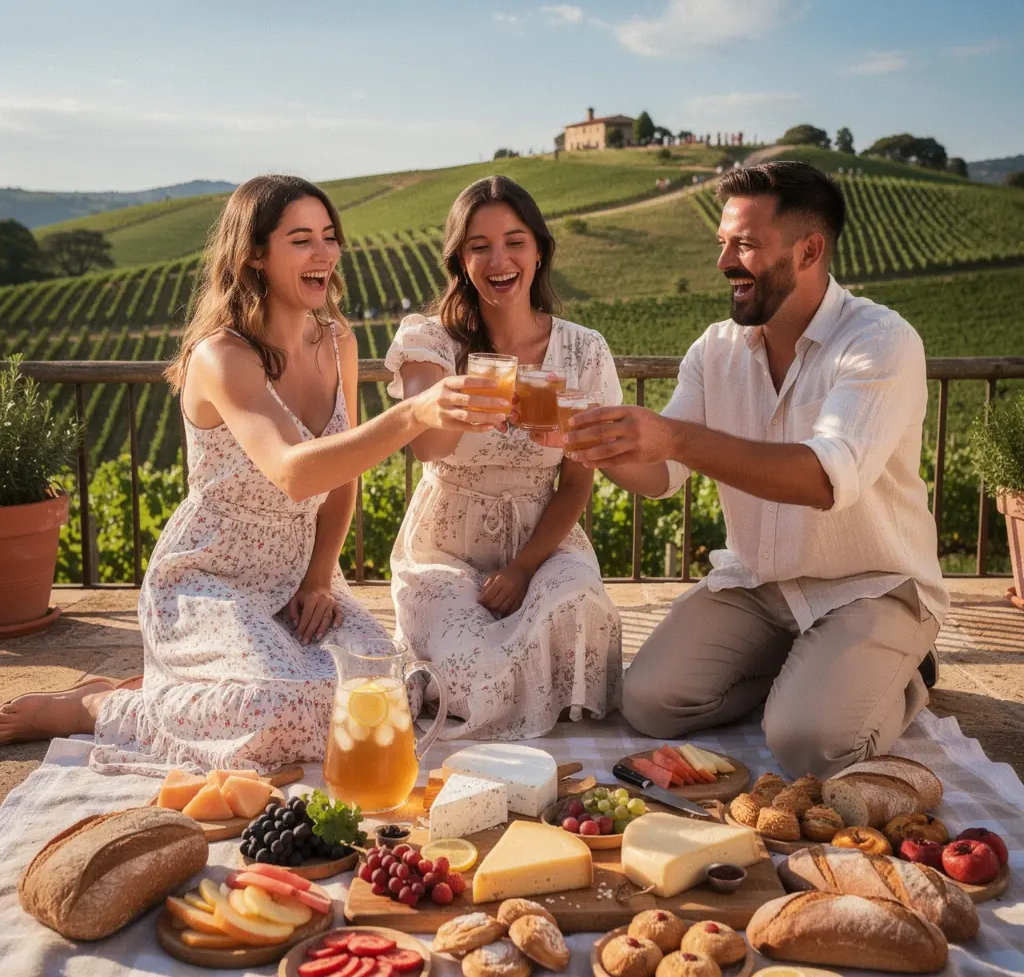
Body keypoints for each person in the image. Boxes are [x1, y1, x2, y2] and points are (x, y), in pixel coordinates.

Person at [0, 175, 506, 773]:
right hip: (211, 581)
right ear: (255, 257)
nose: (324, 253)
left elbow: (343, 475)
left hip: (298, 580)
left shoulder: (337, 340)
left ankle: (174, 687)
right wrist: (416, 412)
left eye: (329, 237)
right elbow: (295, 472)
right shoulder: (222, 357)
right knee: (275, 710)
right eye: (301, 240)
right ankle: (100, 709)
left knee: (393, 692)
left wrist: (320, 578)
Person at [564, 162, 948, 778]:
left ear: (809, 250)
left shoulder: (879, 341)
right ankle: (811, 671)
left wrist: (674, 437)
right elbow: (662, 474)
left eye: (745, 244)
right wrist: (596, 446)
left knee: (808, 747)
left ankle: (907, 669)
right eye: (723, 242)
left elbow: (824, 478)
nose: (724, 262)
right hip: (761, 586)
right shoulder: (714, 349)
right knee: (648, 703)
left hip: (869, 585)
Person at [384, 175, 623, 741]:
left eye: (515, 241)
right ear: (460, 260)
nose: (499, 259)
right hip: (446, 544)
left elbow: (575, 483)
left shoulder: (582, 350)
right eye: (479, 246)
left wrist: (524, 568)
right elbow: (426, 447)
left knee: (582, 604)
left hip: (543, 536)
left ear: (538, 251)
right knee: (479, 666)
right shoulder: (432, 342)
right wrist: (461, 409)